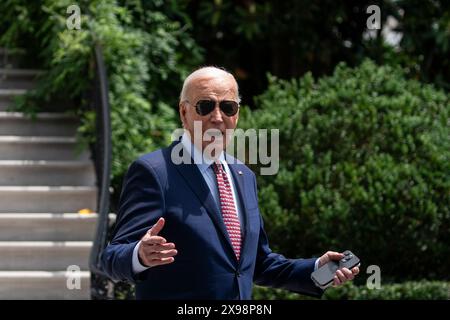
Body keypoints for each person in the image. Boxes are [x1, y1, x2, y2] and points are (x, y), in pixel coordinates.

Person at [101, 67, 359, 299]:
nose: (217, 117)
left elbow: (257, 263)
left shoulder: (244, 176)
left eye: (227, 107)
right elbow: (111, 257)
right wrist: (139, 255)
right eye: (205, 106)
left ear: (236, 114)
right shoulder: (154, 172)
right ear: (184, 112)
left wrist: (317, 269)